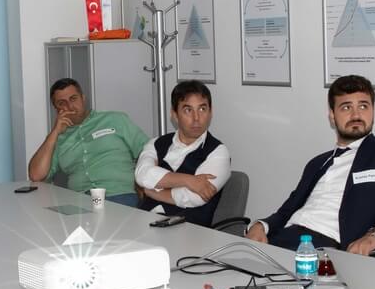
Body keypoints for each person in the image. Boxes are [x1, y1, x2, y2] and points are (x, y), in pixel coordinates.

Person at [245, 75, 375, 255]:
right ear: (332, 115)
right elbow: (286, 211)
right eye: (346, 107)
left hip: (330, 251)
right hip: (284, 242)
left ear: (373, 111)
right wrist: (261, 226)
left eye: (363, 106)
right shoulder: (317, 163)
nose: (356, 115)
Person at [28, 78, 149, 206]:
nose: (69, 106)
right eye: (62, 103)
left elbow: (149, 151)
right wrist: (54, 133)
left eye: (73, 99)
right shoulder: (58, 139)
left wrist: (141, 182)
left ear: (83, 98)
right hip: (79, 200)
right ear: (56, 109)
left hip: (118, 194)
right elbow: (36, 175)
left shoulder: (115, 119)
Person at [134, 80, 231, 226]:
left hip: (188, 229)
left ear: (210, 112)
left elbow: (195, 197)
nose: (196, 118)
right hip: (144, 221)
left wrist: (151, 191)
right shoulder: (156, 143)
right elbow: (142, 175)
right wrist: (189, 180)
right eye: (188, 110)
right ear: (174, 114)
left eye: (202, 109)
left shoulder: (219, 152)